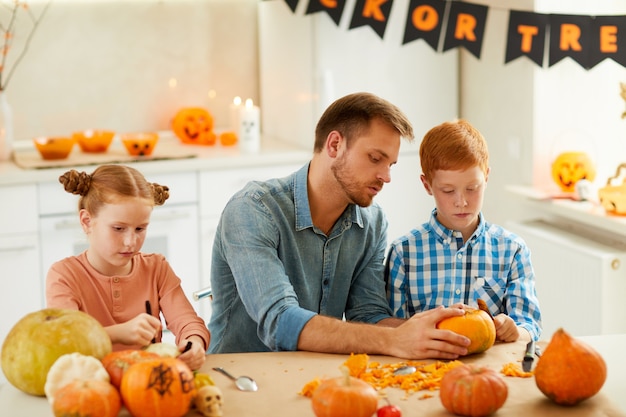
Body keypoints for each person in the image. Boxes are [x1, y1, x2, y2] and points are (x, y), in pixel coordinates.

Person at [208, 92, 471, 359]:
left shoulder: (372, 223)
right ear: (334, 145)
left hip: (315, 379)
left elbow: (369, 315)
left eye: (390, 164)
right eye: (375, 158)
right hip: (236, 379)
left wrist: (443, 335)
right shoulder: (253, 209)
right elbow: (279, 320)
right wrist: (394, 339)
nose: (386, 176)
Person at [385, 119, 542, 342]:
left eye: (472, 188)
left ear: (486, 177)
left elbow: (530, 325)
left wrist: (516, 331)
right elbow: (393, 330)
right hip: (426, 370)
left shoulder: (512, 250)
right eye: (448, 190)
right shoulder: (404, 253)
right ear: (427, 185)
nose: (462, 202)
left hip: (489, 369)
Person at [46, 164, 210, 370]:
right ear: (87, 221)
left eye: (140, 228)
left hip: (147, 384)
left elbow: (188, 322)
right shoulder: (64, 275)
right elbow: (64, 340)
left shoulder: (157, 268)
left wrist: (193, 343)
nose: (130, 242)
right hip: (92, 386)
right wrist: (117, 333)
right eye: (118, 228)